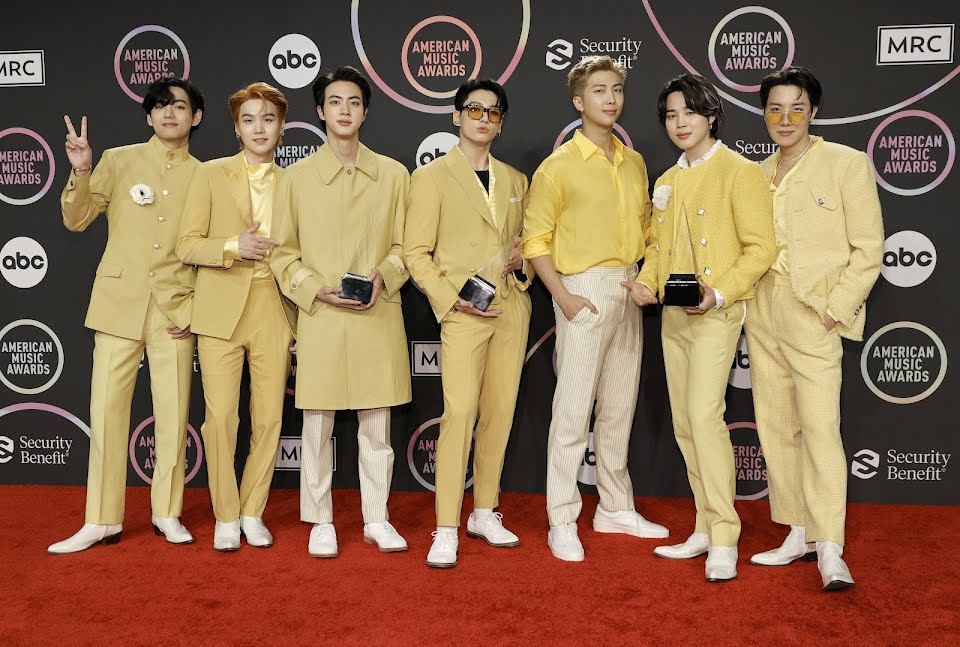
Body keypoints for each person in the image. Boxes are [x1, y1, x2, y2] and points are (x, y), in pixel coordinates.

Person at [49, 78, 204, 554]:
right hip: (118, 304)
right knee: (106, 413)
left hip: (176, 310)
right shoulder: (117, 160)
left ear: (196, 117)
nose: (169, 113)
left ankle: (167, 512)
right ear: (149, 116)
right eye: (160, 106)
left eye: (179, 106)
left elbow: (210, 251)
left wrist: (195, 308)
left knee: (173, 415)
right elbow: (76, 218)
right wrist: (81, 170)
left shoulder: (207, 176)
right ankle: (101, 519)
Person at [522, 55, 667, 562]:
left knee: (619, 408)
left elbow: (647, 230)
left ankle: (614, 506)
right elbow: (535, 241)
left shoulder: (634, 163)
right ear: (578, 101)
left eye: (617, 90)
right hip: (582, 288)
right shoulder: (557, 167)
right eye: (600, 90)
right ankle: (562, 518)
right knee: (572, 411)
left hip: (630, 286)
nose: (611, 99)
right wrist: (563, 297)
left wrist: (646, 278)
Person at [632, 74, 775, 582]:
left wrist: (720, 292)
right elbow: (657, 248)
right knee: (685, 424)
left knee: (703, 416)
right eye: (671, 115)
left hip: (717, 313)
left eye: (689, 112)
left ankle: (725, 536)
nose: (680, 123)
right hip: (674, 315)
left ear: (711, 115)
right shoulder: (667, 179)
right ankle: (703, 524)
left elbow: (761, 248)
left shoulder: (740, 171)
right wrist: (644, 283)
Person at [746, 66, 883, 591]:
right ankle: (797, 531)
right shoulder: (755, 173)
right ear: (764, 114)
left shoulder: (846, 163)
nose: (785, 119)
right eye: (775, 109)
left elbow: (869, 248)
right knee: (776, 426)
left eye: (796, 108)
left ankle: (830, 547)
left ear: (814, 112)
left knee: (821, 428)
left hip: (814, 312)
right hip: (763, 311)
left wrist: (836, 308)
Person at [270, 66, 411, 558]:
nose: (344, 110)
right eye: (335, 101)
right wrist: (314, 290)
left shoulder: (394, 175)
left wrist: (384, 276)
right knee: (317, 426)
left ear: (366, 111)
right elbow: (282, 254)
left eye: (353, 101)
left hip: (377, 313)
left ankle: (377, 518)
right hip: (322, 317)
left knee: (378, 425)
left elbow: (406, 247)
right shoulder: (294, 179)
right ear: (320, 110)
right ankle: (320, 520)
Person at [405, 79, 533, 568]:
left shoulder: (516, 180)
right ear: (456, 116)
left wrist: (522, 262)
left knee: (499, 413)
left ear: (501, 122)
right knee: (459, 415)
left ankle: (484, 511)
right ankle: (445, 527)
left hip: (511, 308)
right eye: (474, 109)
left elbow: (528, 247)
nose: (484, 118)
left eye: (493, 112)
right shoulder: (431, 178)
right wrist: (450, 299)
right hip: (462, 312)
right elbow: (416, 253)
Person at [176, 81, 297, 551]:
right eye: (249, 120)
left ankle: (252, 511)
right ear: (236, 129)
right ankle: (226, 514)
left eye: (268, 119)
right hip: (220, 307)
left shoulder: (297, 181)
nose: (259, 128)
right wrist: (233, 246)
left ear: (282, 126)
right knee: (221, 417)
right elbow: (186, 245)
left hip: (274, 306)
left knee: (268, 418)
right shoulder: (209, 175)